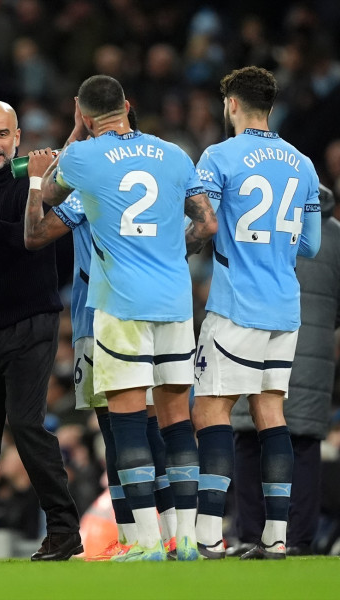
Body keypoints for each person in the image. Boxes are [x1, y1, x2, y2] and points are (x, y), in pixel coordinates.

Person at [39, 75, 217, 561]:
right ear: (128, 105)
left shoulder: (82, 156)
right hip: (176, 302)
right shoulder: (175, 153)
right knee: (177, 420)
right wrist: (170, 254)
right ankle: (185, 540)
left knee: (127, 422)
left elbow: (47, 200)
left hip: (120, 303)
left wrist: (75, 136)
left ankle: (143, 542)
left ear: (82, 112)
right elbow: (207, 223)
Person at [23, 107, 179, 560]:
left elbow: (39, 225)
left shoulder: (92, 182)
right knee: (146, 428)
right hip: (156, 308)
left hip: (102, 318)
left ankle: (140, 538)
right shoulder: (160, 164)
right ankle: (162, 534)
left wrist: (60, 149)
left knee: (121, 431)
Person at [191, 66, 322, 560]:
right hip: (284, 307)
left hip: (236, 306)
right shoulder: (303, 164)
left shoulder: (220, 156)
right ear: (271, 106)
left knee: (211, 410)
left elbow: (203, 224)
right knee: (270, 412)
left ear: (232, 105)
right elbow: (308, 244)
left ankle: (206, 535)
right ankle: (275, 537)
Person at [0, 100, 81, 562]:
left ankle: (64, 530)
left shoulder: (38, 177)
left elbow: (22, 243)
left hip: (32, 322)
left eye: (2, 134)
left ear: (18, 137)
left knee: (25, 424)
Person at [230, 184, 340, 557]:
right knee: (304, 446)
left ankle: (250, 534)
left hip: (260, 340)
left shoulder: (257, 226)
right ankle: (297, 540)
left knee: (249, 440)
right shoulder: (336, 236)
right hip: (313, 354)